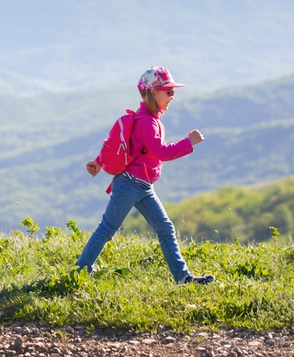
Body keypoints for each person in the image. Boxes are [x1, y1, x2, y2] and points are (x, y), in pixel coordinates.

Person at [75, 66, 214, 285]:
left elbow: (125, 147)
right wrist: (189, 143)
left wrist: (100, 161)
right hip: (130, 185)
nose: (172, 95)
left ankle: (183, 277)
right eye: (167, 91)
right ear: (152, 92)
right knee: (108, 228)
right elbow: (162, 152)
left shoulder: (145, 119)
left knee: (164, 228)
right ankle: (79, 272)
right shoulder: (147, 123)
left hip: (142, 186)